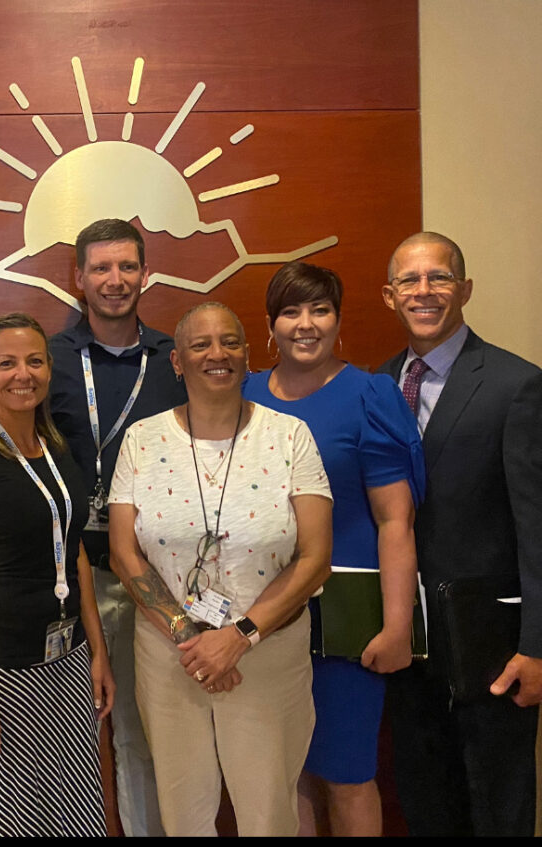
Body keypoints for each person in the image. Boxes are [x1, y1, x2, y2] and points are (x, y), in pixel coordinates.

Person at [108, 302, 334, 836]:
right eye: (201, 345)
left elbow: (314, 557)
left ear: (248, 355)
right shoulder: (143, 440)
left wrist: (239, 637)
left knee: (269, 814)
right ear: (178, 362)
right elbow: (123, 553)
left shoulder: (290, 436)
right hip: (171, 655)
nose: (218, 354)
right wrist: (193, 638)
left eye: (230, 342)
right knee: (182, 811)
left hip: (269, 652)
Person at [241, 261, 425, 837]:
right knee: (281, 772)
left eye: (319, 309)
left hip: (348, 619)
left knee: (347, 774)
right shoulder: (241, 392)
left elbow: (395, 520)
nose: (306, 323)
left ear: (338, 319)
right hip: (262, 616)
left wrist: (399, 628)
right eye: (291, 310)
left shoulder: (370, 395)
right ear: (270, 325)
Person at [378, 231, 542, 837]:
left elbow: (538, 529)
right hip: (405, 643)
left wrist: (539, 647)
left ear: (464, 289)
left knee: (498, 808)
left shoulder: (515, 385)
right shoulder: (377, 385)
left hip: (492, 646)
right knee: (425, 804)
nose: (425, 292)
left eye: (439, 278)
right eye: (410, 281)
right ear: (389, 295)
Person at [0, 312, 114, 837]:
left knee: (67, 813)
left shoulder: (57, 451)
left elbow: (74, 553)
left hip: (66, 665)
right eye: (6, 364)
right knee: (3, 819)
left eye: (33, 361)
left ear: (50, 369)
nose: (21, 374)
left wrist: (97, 652)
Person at [48, 218, 186, 837]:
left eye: (127, 267)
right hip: (67, 577)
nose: (115, 280)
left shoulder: (174, 360)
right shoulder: (47, 359)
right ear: (78, 279)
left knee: (143, 733)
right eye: (101, 269)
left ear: (145, 275)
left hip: (148, 575)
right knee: (63, 738)